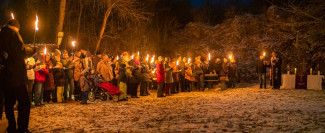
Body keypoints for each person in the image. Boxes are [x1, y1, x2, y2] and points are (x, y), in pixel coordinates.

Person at [0, 19, 35, 132]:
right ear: (15, 28)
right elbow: (20, 51)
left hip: (5, 76)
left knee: (9, 103)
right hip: (15, 76)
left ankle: (11, 126)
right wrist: (32, 50)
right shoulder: (13, 34)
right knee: (24, 102)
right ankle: (22, 128)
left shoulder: (1, 33)